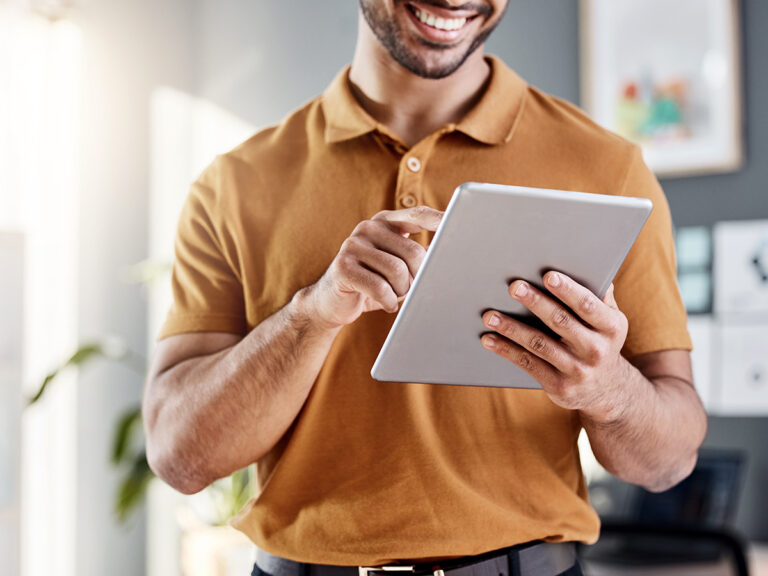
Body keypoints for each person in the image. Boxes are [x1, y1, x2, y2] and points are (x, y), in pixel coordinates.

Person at [142, 1, 707, 575]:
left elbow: (669, 461)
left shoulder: (609, 169)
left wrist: (608, 389)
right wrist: (311, 315)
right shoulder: (233, 185)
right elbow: (180, 458)